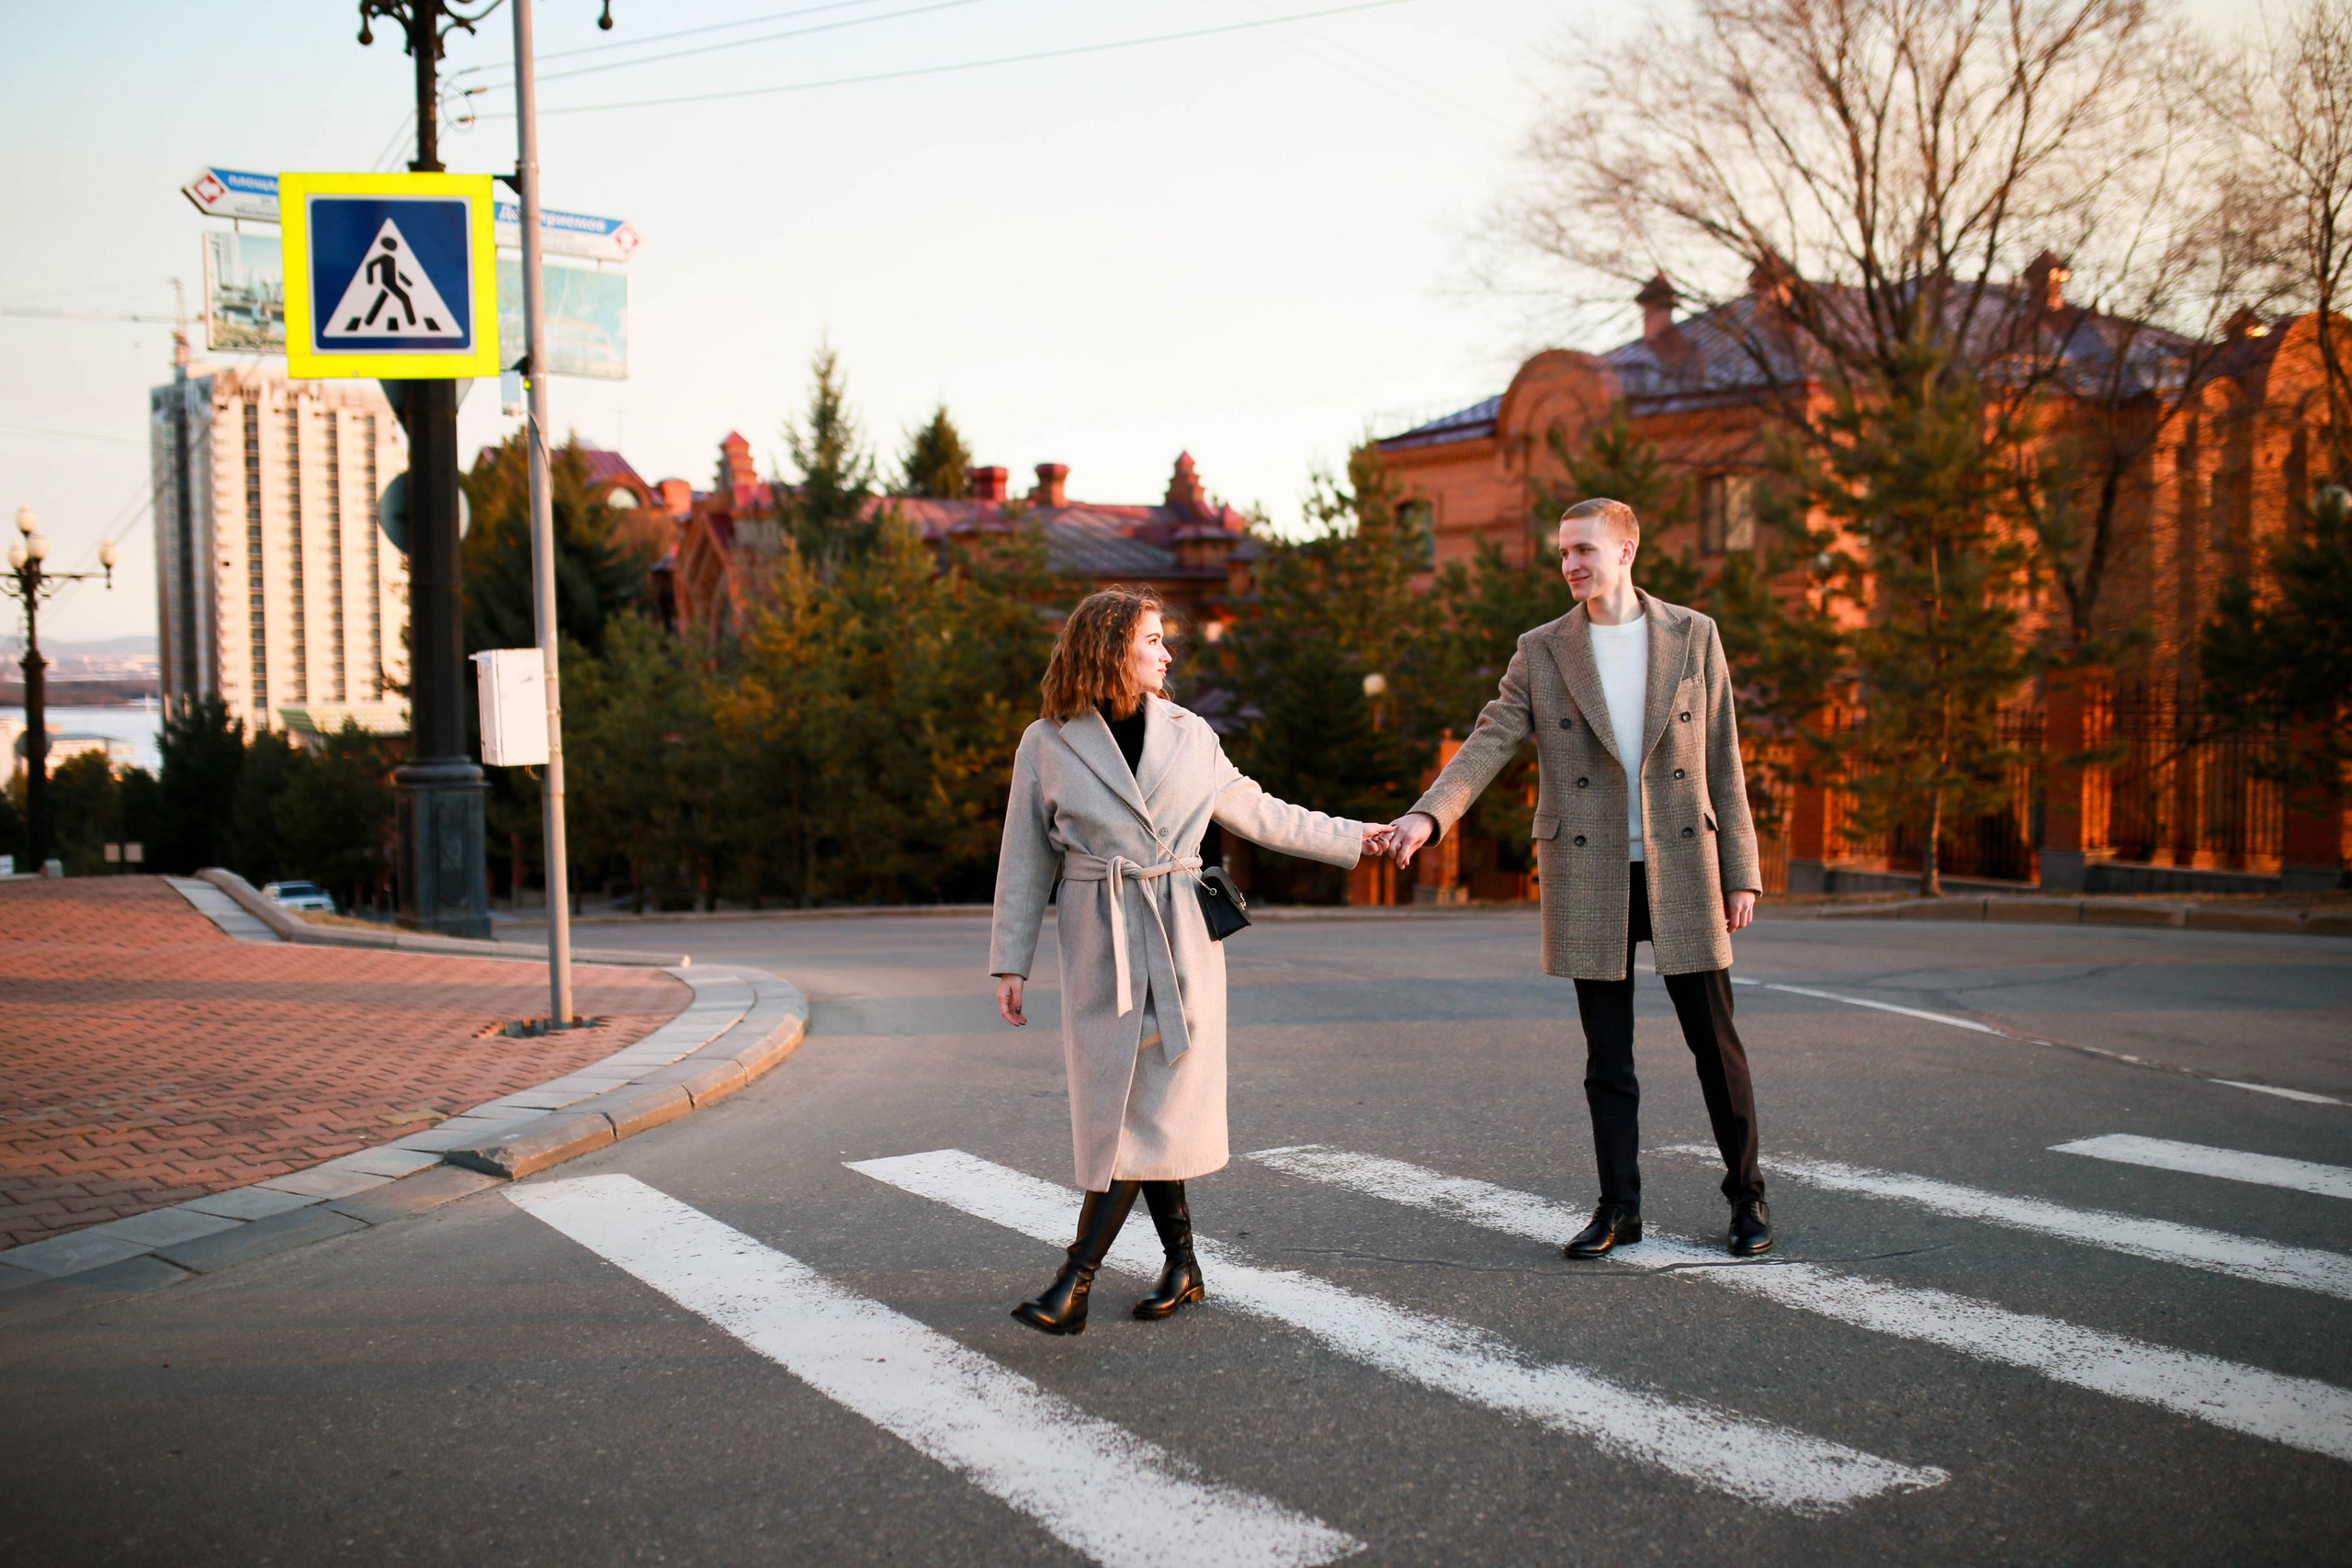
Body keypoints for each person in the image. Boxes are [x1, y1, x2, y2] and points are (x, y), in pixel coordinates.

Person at [991, 587, 1391, 1334]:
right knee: (1133, 1109)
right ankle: (1183, 1265)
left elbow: (1261, 810)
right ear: (1114, 647)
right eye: (1154, 638)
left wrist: (1355, 837)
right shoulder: (1046, 741)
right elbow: (1023, 858)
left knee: (1147, 1108)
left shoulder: (1191, 733)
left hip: (1179, 936)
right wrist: (1010, 962)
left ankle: (1072, 1285)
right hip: (1102, 938)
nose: (1168, 652)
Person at [1385, 498, 1773, 1258]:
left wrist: (1743, 872)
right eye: (1564, 551)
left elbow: (1725, 758)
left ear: (1627, 548)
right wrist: (1429, 818)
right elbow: (1489, 738)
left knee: (1715, 1043)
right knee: (1607, 1054)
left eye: (1585, 549)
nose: (1571, 564)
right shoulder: (1543, 648)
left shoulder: (1693, 634)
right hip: (1591, 866)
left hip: (1686, 861)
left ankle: (1748, 1198)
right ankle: (1619, 1207)